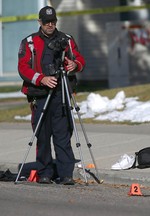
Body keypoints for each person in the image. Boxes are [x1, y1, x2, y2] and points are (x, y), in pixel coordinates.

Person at [18, 6, 85, 185]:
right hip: (40, 95)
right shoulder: (29, 42)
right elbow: (23, 68)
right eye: (46, 22)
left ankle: (65, 174)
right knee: (42, 136)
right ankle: (45, 172)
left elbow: (80, 59)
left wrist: (74, 65)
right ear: (39, 22)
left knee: (63, 136)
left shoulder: (67, 40)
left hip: (61, 95)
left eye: (53, 21)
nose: (50, 25)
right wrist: (42, 79)